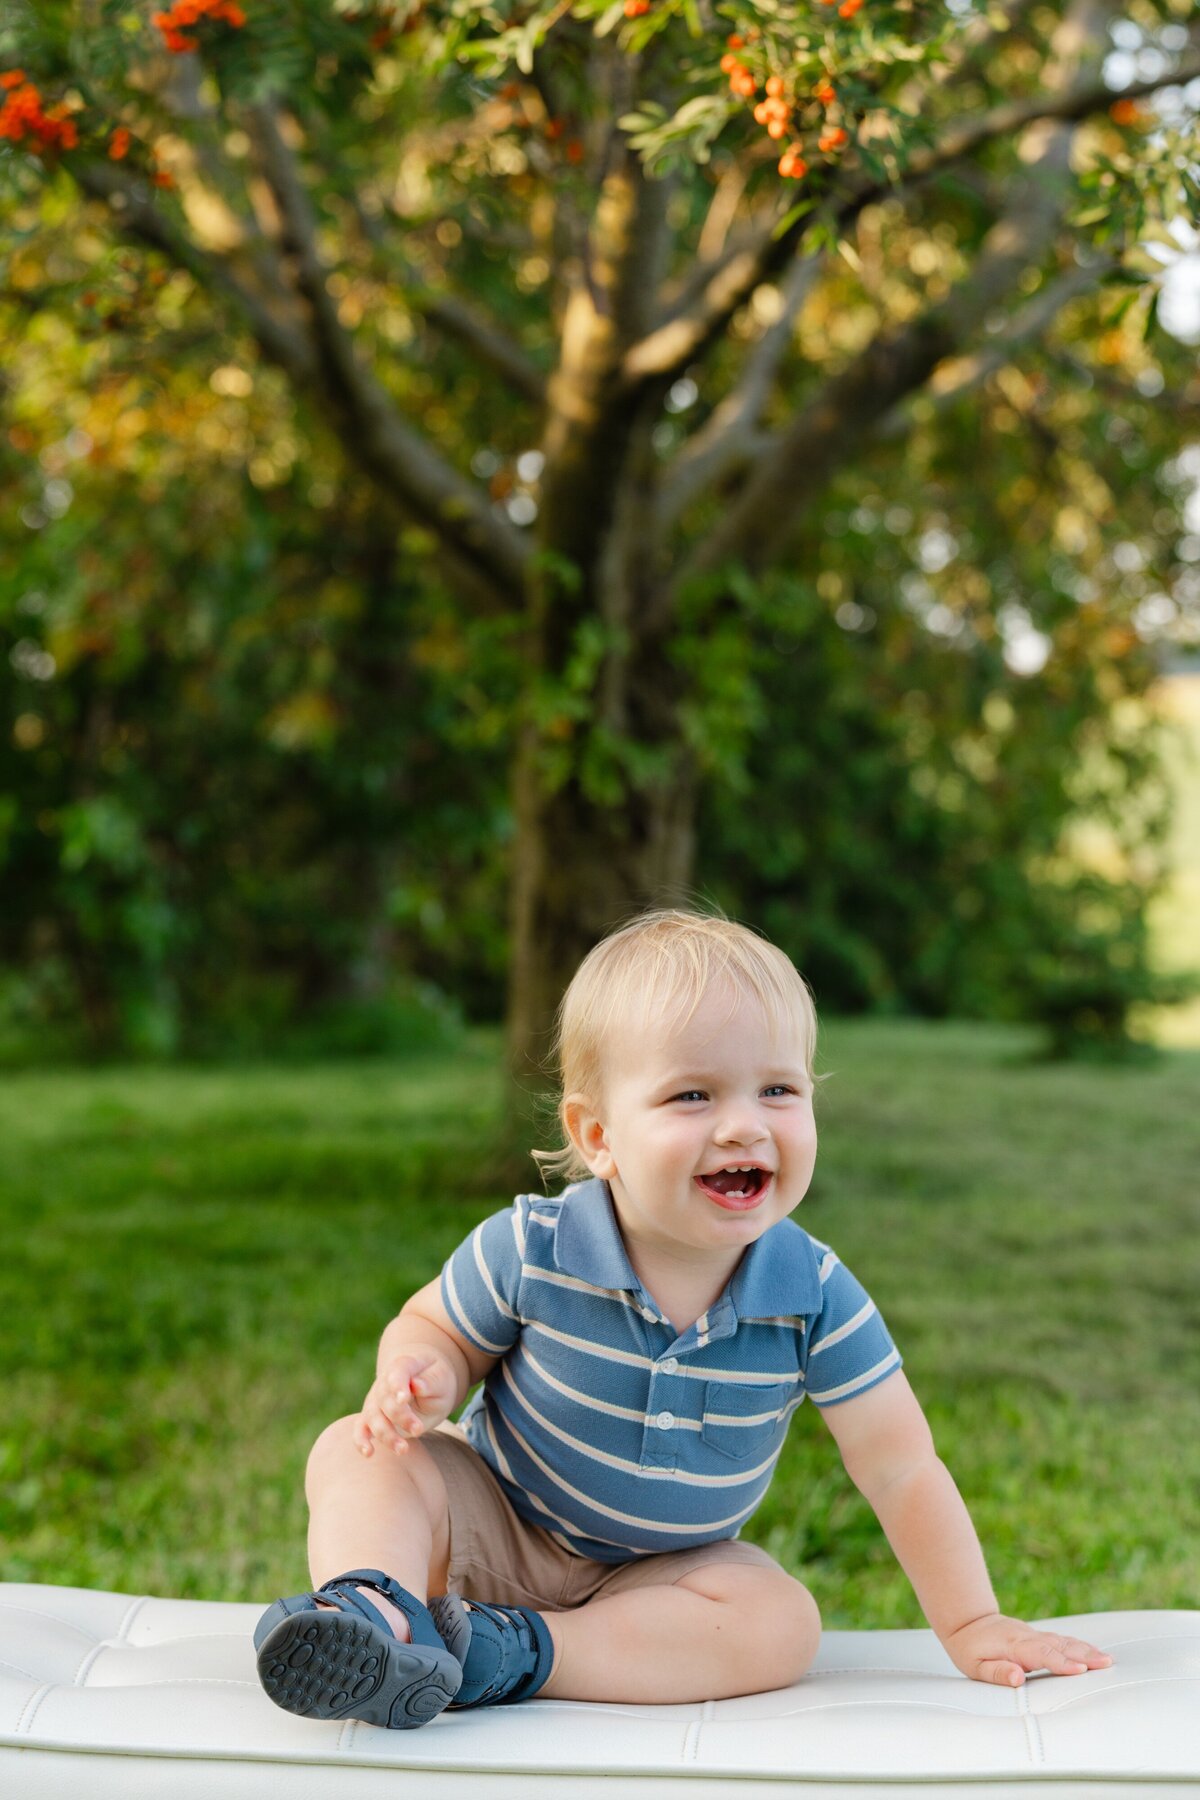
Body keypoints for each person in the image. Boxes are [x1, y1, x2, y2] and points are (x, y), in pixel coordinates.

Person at [254, 907, 1114, 1728]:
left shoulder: (816, 1295)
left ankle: (512, 1654)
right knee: (361, 1451)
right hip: (492, 1530)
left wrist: (971, 1622)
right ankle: (374, 1611)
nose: (744, 1126)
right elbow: (433, 1326)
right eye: (694, 1097)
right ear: (598, 1136)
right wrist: (423, 1369)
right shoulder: (532, 1246)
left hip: (661, 1582)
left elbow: (901, 1469)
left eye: (778, 1089)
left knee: (780, 1622)